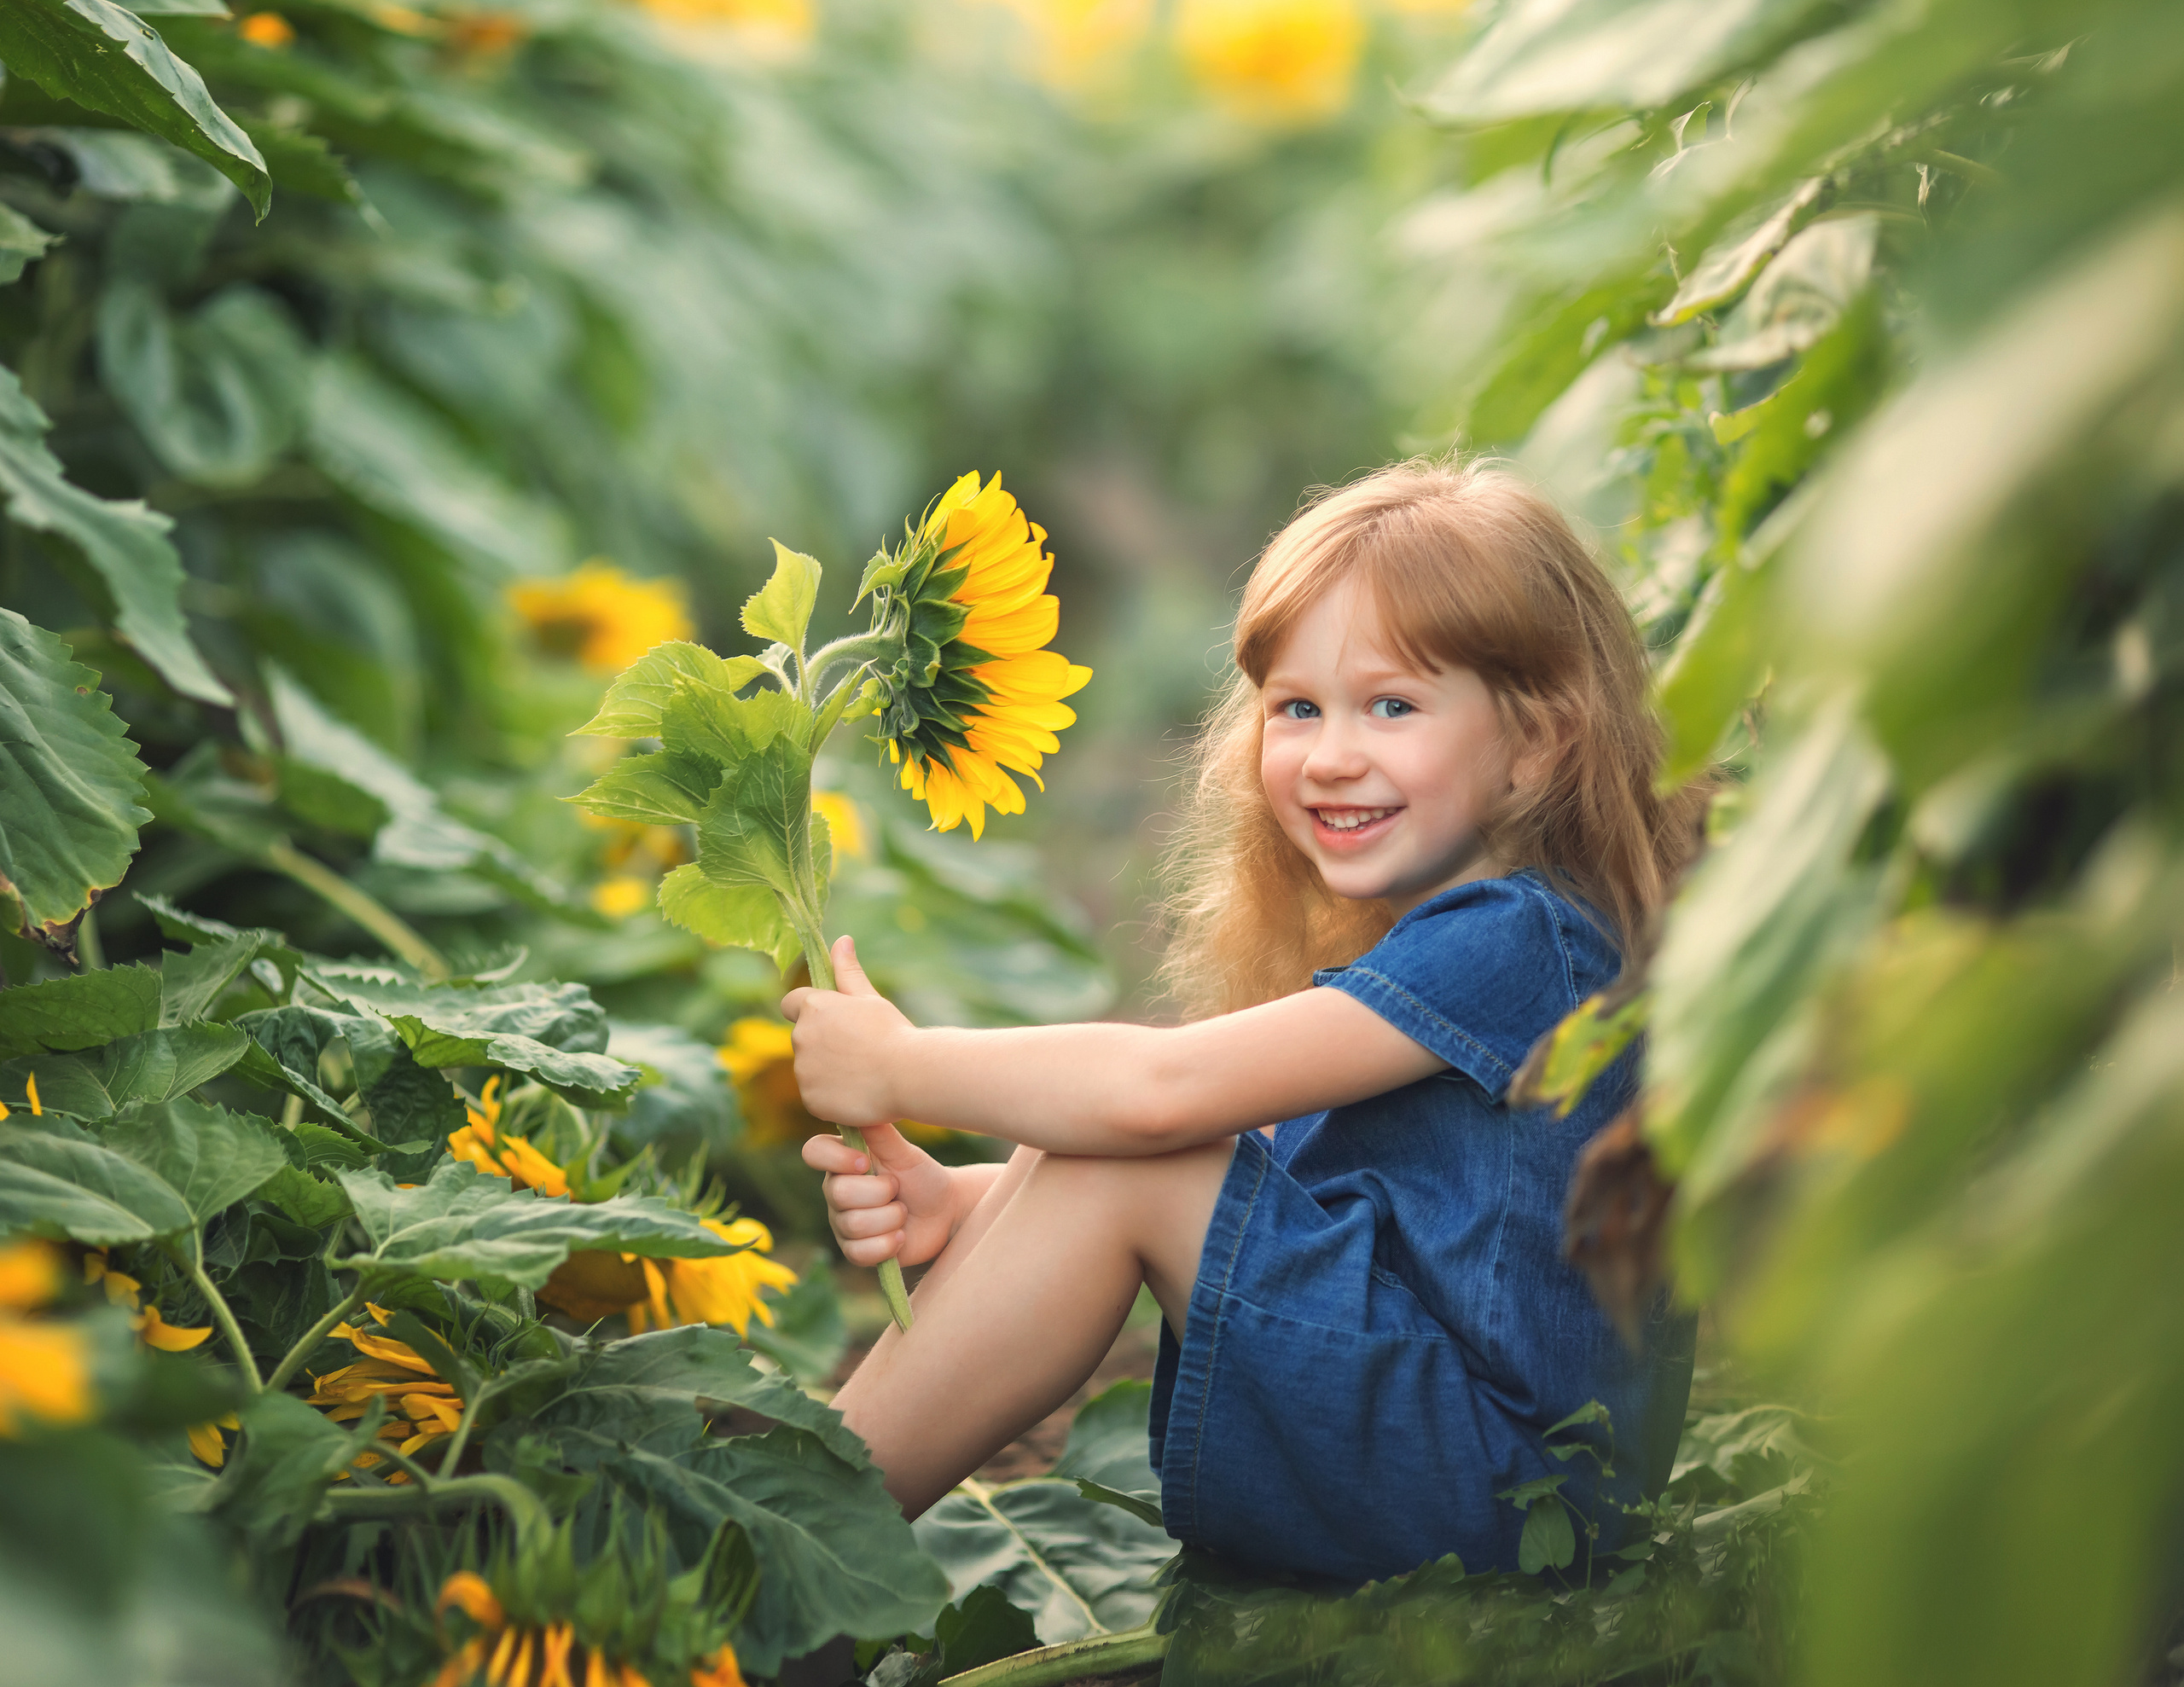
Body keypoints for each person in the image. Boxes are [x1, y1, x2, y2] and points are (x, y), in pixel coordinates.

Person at [784, 456, 1705, 1584]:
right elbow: (1297, 1178)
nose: (1330, 755)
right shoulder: (1482, 933)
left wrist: (902, 1065)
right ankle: (797, 1552)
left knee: (1132, 1148)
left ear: (1535, 743)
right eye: (1298, 708)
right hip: (1468, 1453)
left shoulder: (1520, 939)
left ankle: (795, 1561)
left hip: (1504, 1487)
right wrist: (959, 1200)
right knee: (1103, 1145)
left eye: (1394, 705)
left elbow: (1157, 1095)